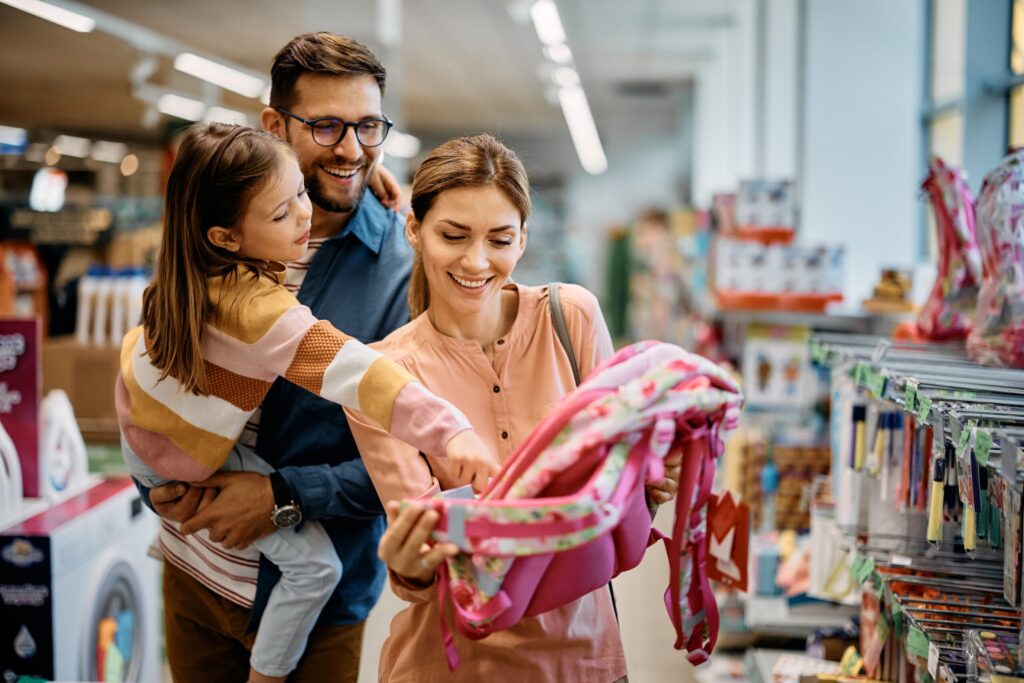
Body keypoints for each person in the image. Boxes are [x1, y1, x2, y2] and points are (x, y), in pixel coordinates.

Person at [117, 122, 498, 683]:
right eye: (282, 211)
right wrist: (451, 431)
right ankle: (268, 674)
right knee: (316, 567)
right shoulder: (262, 311)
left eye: (301, 190)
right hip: (183, 483)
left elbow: (224, 161)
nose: (304, 214)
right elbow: (364, 375)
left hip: (148, 439)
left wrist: (365, 183)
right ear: (225, 235)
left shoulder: (188, 264)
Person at [349, 134, 681, 682]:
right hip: (450, 667)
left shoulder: (570, 319)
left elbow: (619, 506)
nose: (476, 261)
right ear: (414, 229)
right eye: (453, 235)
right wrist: (409, 567)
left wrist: (647, 483)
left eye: (500, 239)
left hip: (584, 660)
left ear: (524, 238)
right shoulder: (385, 376)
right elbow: (424, 566)